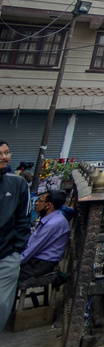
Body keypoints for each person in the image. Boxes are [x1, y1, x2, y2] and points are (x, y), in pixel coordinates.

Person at [0, 140, 31, 334]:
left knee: (2, 304)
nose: (4, 157)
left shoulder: (17, 183)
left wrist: (16, 252)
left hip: (6, 256)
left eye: (6, 152)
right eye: (0, 153)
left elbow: (24, 219)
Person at [20, 189, 69, 281]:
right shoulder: (51, 219)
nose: (36, 203)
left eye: (40, 201)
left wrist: (17, 262)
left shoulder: (53, 224)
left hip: (41, 263)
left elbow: (34, 247)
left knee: (7, 273)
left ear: (48, 205)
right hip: (38, 260)